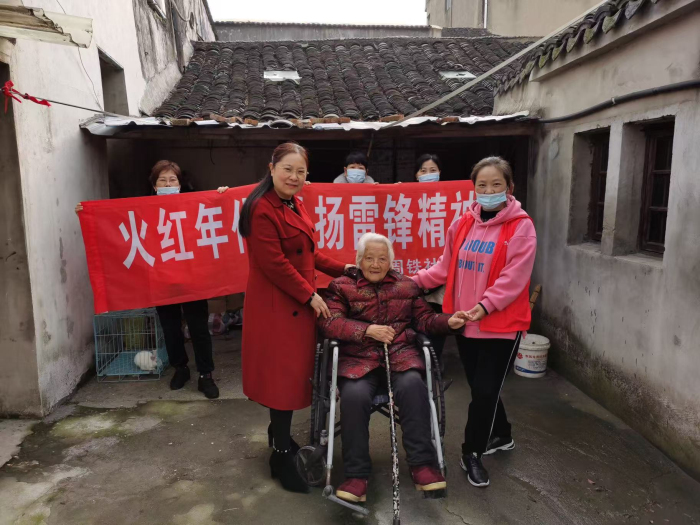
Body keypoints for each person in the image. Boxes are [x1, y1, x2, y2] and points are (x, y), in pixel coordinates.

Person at [412, 157, 537, 488]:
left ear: (509, 188)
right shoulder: (463, 224)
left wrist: (485, 305)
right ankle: (502, 434)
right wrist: (408, 283)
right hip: (464, 322)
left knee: (483, 391)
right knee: (484, 389)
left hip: (501, 325)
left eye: (496, 184)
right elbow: (443, 268)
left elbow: (514, 278)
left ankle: (472, 452)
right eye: (482, 185)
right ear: (474, 188)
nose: (488, 190)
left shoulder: (521, 227)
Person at [319, 232, 469, 504]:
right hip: (358, 361)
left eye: (382, 259)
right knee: (354, 397)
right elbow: (330, 323)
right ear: (359, 260)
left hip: (401, 357)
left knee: (413, 387)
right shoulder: (341, 286)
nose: (375, 264)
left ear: (390, 262)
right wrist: (367, 330)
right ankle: (356, 475)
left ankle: (422, 465)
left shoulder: (406, 286)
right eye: (369, 258)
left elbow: (424, 319)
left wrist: (448, 322)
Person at [238, 142, 352, 493]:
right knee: (282, 381)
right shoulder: (261, 208)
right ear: (271, 168)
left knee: (290, 378)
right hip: (276, 308)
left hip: (294, 305)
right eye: (288, 169)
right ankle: (281, 456)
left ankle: (279, 434)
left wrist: (345, 268)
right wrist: (310, 294)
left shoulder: (294, 203)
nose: (294, 176)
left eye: (301, 171)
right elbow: (275, 264)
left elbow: (308, 254)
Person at [75, 160, 225, 399]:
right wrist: (88, 214)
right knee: (171, 328)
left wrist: (223, 196)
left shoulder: (192, 205)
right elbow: (112, 220)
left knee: (198, 328)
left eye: (172, 180)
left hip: (192, 279)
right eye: (162, 180)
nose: (168, 184)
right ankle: (181, 368)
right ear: (154, 186)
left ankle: (206, 375)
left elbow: (217, 211)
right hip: (162, 280)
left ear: (180, 184)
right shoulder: (142, 209)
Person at [413, 154, 449, 366]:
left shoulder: (450, 199)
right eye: (423, 170)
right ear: (416, 174)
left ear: (440, 173)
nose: (428, 174)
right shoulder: (404, 198)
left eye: (432, 170)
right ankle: (416, 363)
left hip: (439, 279)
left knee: (436, 322)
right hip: (412, 276)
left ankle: (435, 364)